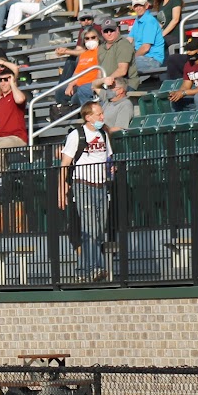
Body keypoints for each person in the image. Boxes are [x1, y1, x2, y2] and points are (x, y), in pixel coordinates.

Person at [58, 101, 113, 282]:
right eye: (98, 114)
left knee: (98, 230)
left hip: (101, 185)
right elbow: (65, 163)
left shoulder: (104, 134)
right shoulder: (77, 135)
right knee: (90, 229)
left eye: (101, 114)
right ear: (88, 117)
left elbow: (108, 158)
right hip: (84, 184)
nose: (102, 117)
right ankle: (97, 267)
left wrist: (111, 170)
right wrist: (62, 186)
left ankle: (83, 270)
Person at [127, 0, 167, 76]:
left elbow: (145, 47)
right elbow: (129, 39)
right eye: (136, 6)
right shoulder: (138, 20)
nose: (138, 8)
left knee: (125, 66)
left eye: (140, 5)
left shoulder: (149, 21)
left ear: (146, 6)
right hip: (142, 57)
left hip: (153, 59)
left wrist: (132, 58)